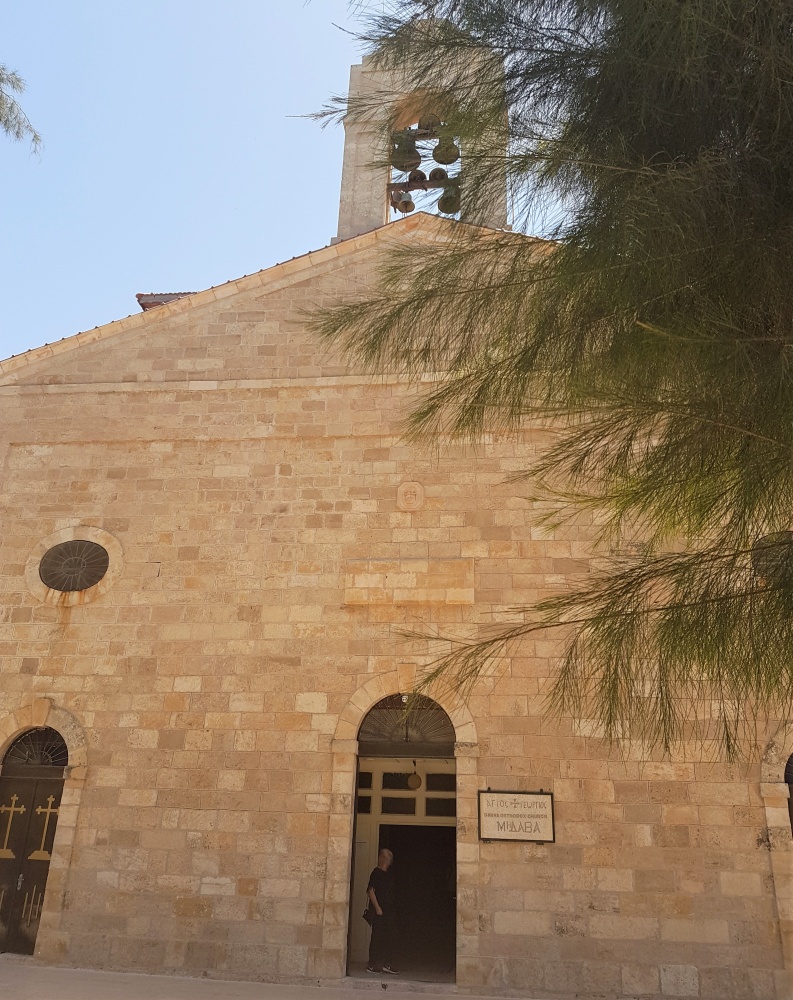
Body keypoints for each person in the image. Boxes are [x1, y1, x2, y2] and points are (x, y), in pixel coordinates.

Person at [366, 847, 399, 974]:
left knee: (390, 936)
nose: (389, 861)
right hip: (379, 911)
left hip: (389, 910)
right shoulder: (376, 873)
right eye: (387, 858)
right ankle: (372, 964)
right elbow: (371, 891)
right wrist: (378, 908)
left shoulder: (389, 874)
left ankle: (387, 963)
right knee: (377, 937)